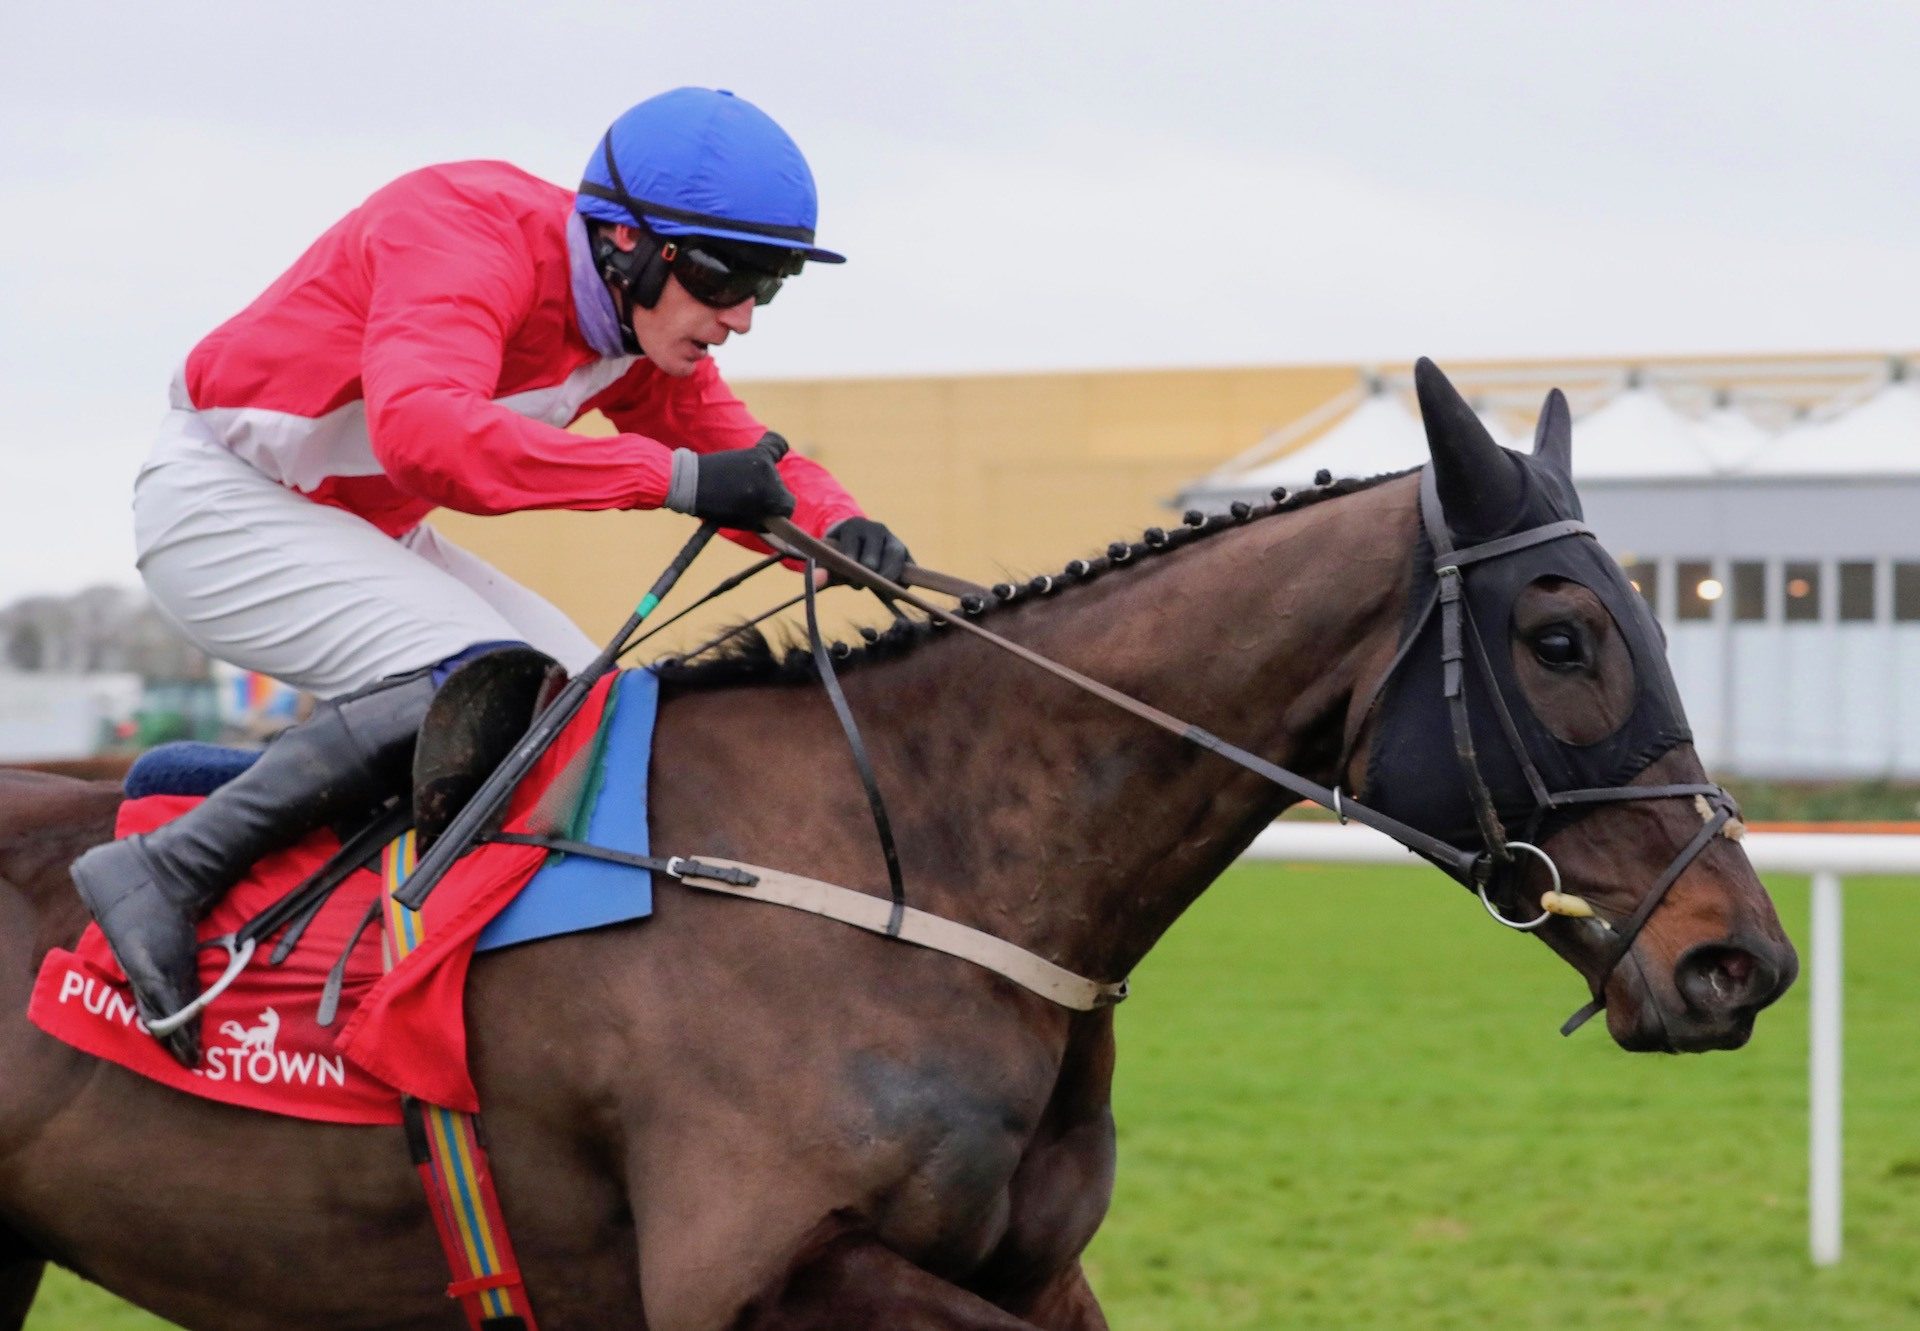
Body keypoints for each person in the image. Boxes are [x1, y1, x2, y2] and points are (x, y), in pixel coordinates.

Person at [71, 87, 911, 1066]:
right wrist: (671, 481)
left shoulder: (631, 330)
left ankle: (196, 802)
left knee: (589, 712)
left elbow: (744, 461)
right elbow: (429, 438)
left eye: (767, 287)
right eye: (728, 278)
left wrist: (841, 524)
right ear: (627, 241)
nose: (740, 318)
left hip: (347, 524)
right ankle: (164, 867)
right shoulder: (462, 229)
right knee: (488, 674)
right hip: (221, 500)